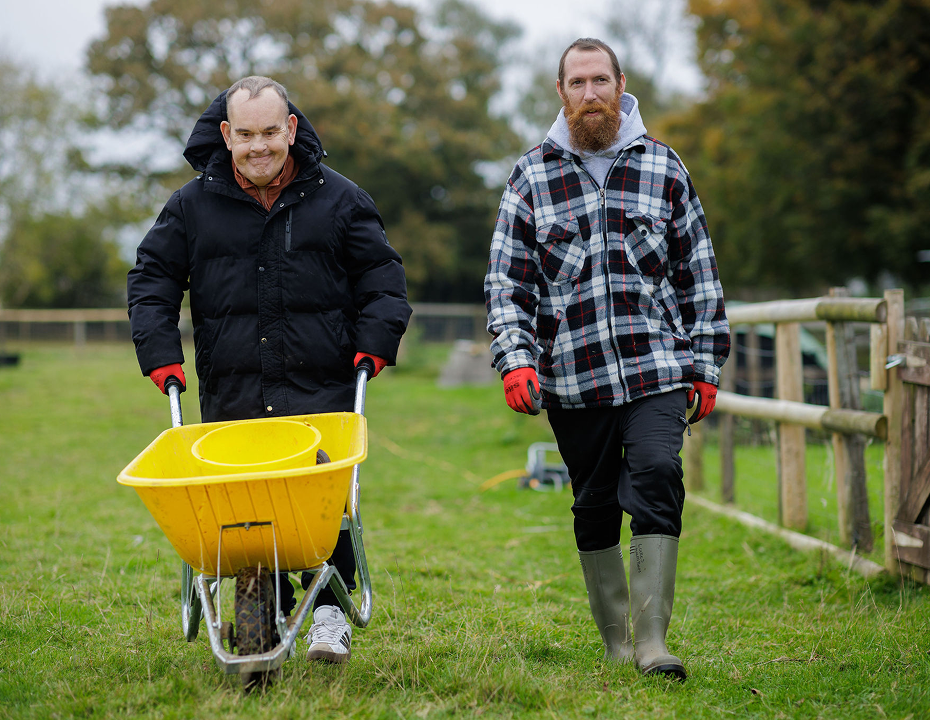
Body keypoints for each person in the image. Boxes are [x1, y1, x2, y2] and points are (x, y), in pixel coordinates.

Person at [128, 76, 411, 665]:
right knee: (247, 507)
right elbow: (152, 280)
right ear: (227, 135)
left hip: (322, 381)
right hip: (234, 384)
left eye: (271, 132)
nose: (260, 147)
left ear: (292, 129)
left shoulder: (340, 200)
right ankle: (267, 607)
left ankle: (330, 611)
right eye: (247, 135)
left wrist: (374, 345)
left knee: (324, 501)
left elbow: (383, 280)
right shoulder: (191, 206)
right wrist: (160, 354)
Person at [484, 39, 730, 681]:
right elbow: (508, 285)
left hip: (657, 369)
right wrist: (516, 360)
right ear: (560, 93)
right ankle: (616, 640)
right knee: (594, 501)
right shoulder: (531, 176)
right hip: (573, 375)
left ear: (622, 86)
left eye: (600, 81)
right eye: (577, 83)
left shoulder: (664, 168)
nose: (590, 94)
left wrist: (704, 365)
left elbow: (697, 274)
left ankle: (652, 643)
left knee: (655, 473)